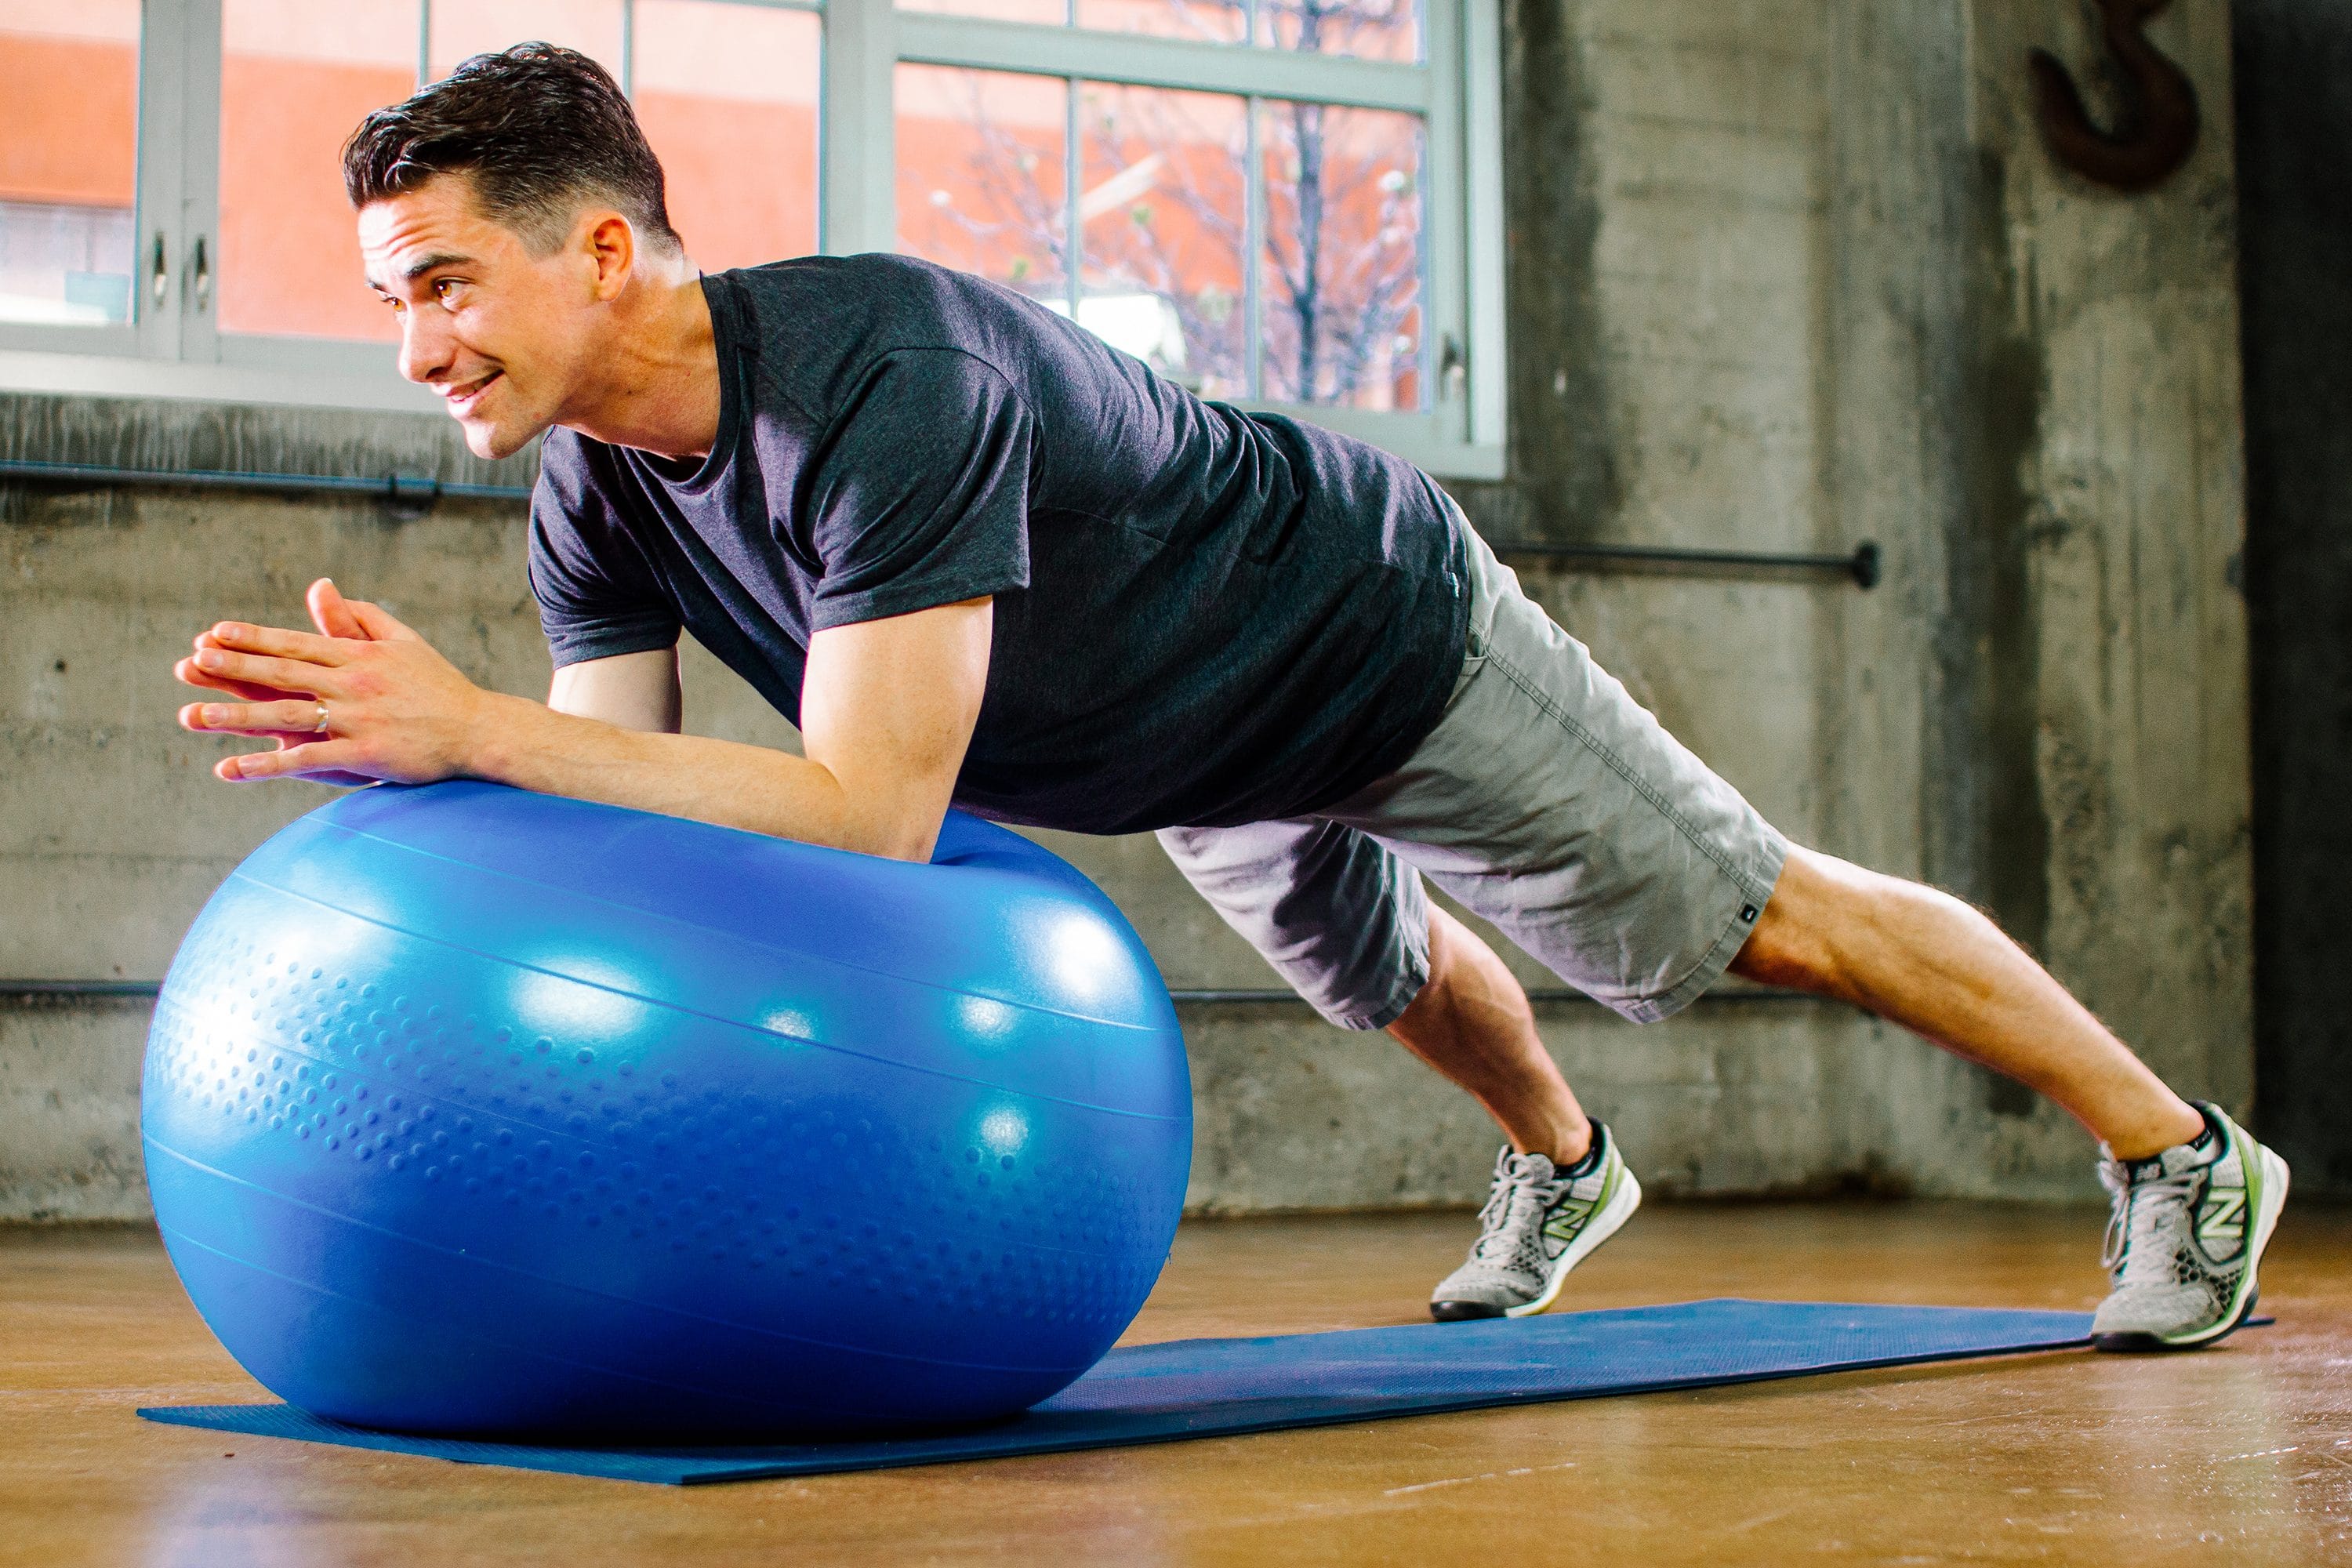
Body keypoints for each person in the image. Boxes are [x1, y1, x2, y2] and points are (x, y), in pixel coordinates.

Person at [174, 43, 2285, 1346]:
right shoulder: (599, 497)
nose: (418, 346)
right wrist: (446, 752)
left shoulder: (880, 382)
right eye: (390, 300)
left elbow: (868, 820)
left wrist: (470, 728)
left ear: (609, 251)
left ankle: (2182, 1157)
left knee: (1758, 914)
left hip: (1355, 626)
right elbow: (635, 813)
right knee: (1379, 972)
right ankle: (1565, 1164)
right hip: (1167, 728)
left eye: (446, 285)